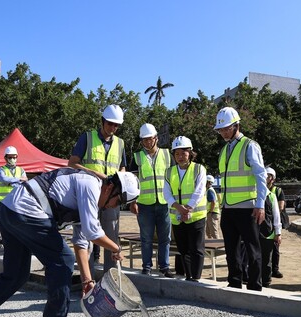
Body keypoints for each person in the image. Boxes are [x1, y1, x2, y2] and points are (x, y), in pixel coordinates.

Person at [0, 168, 140, 317]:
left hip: (10, 211)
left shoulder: (91, 197)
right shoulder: (90, 185)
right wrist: (116, 248)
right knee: (62, 260)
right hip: (26, 211)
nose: (113, 207)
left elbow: (82, 243)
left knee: (15, 275)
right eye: (119, 201)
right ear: (111, 188)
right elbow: (93, 233)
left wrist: (87, 281)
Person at [68, 104, 127, 275]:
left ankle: (111, 278)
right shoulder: (87, 138)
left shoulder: (121, 144)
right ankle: (89, 279)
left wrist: (119, 179)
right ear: (102, 121)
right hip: (90, 195)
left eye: (116, 125)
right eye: (110, 124)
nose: (113, 128)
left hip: (112, 198)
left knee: (111, 237)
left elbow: (123, 168)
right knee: (87, 238)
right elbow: (72, 163)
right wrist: (94, 173)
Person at [214, 107, 267, 291]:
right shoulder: (223, 150)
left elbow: (261, 176)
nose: (223, 132)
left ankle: (254, 286)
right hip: (228, 208)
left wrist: (260, 205)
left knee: (253, 250)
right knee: (231, 250)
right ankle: (234, 283)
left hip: (248, 208)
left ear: (237, 125)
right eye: (220, 130)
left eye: (226, 128)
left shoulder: (249, 145)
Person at [129, 123, 174, 277]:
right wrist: (132, 202)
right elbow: (132, 182)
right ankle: (146, 267)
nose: (147, 142)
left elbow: (173, 179)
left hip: (164, 203)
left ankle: (164, 267)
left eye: (150, 139)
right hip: (144, 204)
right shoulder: (137, 157)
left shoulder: (168, 155)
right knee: (146, 238)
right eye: (144, 140)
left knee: (165, 238)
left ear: (156, 138)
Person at [164, 136, 207, 281]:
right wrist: (178, 207)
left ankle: (196, 278)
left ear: (190, 153)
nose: (180, 157)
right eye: (177, 154)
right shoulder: (169, 172)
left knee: (196, 249)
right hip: (177, 217)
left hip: (196, 216)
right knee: (183, 250)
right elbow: (166, 193)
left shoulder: (199, 169)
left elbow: (199, 191)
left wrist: (187, 208)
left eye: (183, 153)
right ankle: (189, 277)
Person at [260, 180, 282, 288]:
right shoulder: (252, 196)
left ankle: (266, 281)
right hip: (254, 232)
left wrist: (278, 233)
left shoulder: (271, 196)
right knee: (255, 258)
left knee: (266, 259)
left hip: (268, 233)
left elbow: (276, 216)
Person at [266, 166, 285, 278]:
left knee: (275, 248)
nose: (266, 177)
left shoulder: (277, 191)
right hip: (265, 223)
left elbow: (280, 206)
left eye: (268, 176)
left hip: (273, 223)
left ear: (272, 178)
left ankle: (275, 270)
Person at [205, 175, 220, 239]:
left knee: (214, 232)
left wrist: (210, 211)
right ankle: (211, 246)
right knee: (208, 232)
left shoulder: (210, 191)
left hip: (212, 213)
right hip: (211, 213)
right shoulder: (209, 190)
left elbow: (213, 202)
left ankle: (218, 247)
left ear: (208, 182)